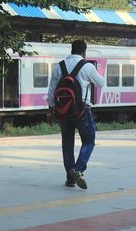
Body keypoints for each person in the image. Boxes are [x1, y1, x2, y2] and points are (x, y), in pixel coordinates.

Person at [47, 40, 104, 189]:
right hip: (82, 111)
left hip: (63, 111)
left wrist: (51, 109)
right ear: (84, 52)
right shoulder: (87, 66)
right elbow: (100, 83)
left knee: (67, 145)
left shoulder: (59, 67)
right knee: (89, 140)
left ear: (71, 50)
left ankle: (70, 179)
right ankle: (77, 169)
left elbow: (52, 91)